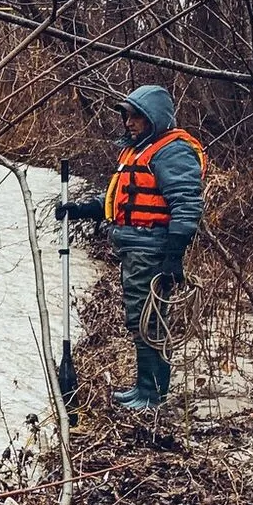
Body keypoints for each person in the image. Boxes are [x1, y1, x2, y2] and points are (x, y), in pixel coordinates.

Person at [55, 84, 207, 409]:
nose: (129, 123)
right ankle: (145, 389)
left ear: (155, 119)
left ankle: (151, 396)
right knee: (141, 319)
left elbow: (186, 205)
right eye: (127, 116)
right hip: (136, 247)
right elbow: (115, 199)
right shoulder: (138, 152)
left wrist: (173, 258)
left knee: (147, 321)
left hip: (151, 249)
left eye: (136, 117)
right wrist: (80, 210)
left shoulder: (172, 151)